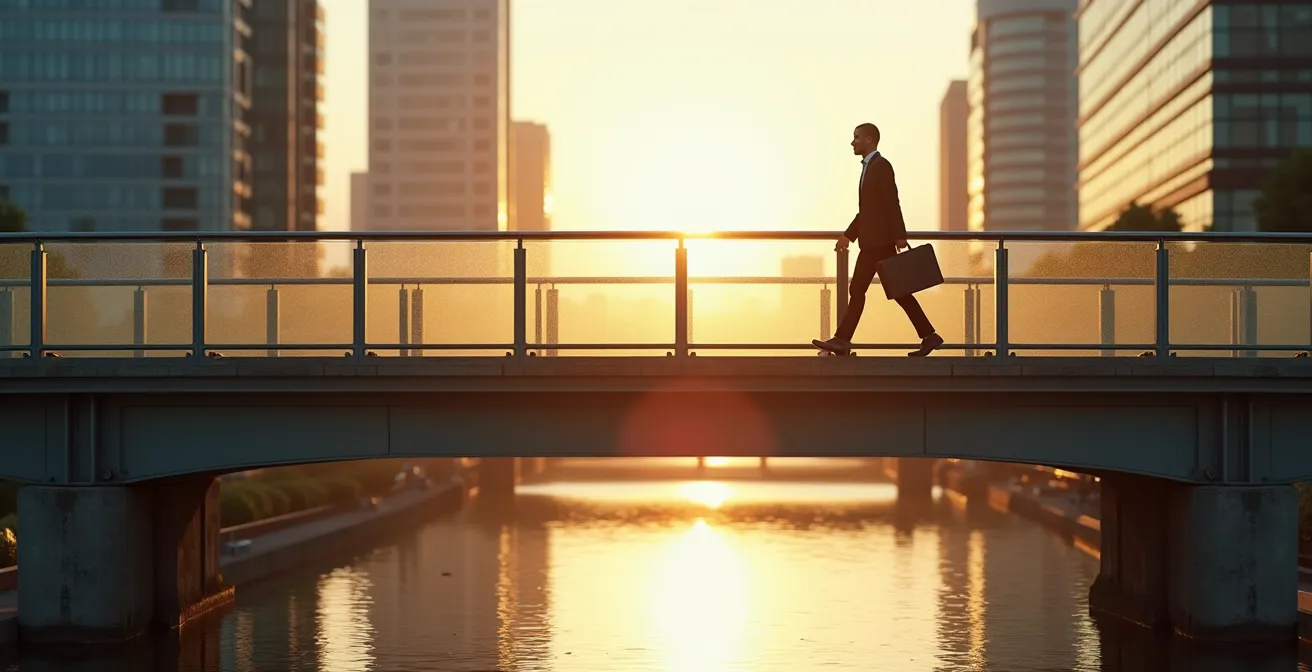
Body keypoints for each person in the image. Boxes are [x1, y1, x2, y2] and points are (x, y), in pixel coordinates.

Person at [813, 123, 943, 357]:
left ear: (870, 140)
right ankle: (929, 335)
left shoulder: (881, 166)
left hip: (878, 243)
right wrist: (848, 235)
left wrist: (899, 235)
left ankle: (842, 340)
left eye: (856, 137)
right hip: (874, 242)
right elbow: (867, 210)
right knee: (892, 291)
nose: (853, 142)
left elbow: (891, 201)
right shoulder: (869, 167)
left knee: (865, 290)